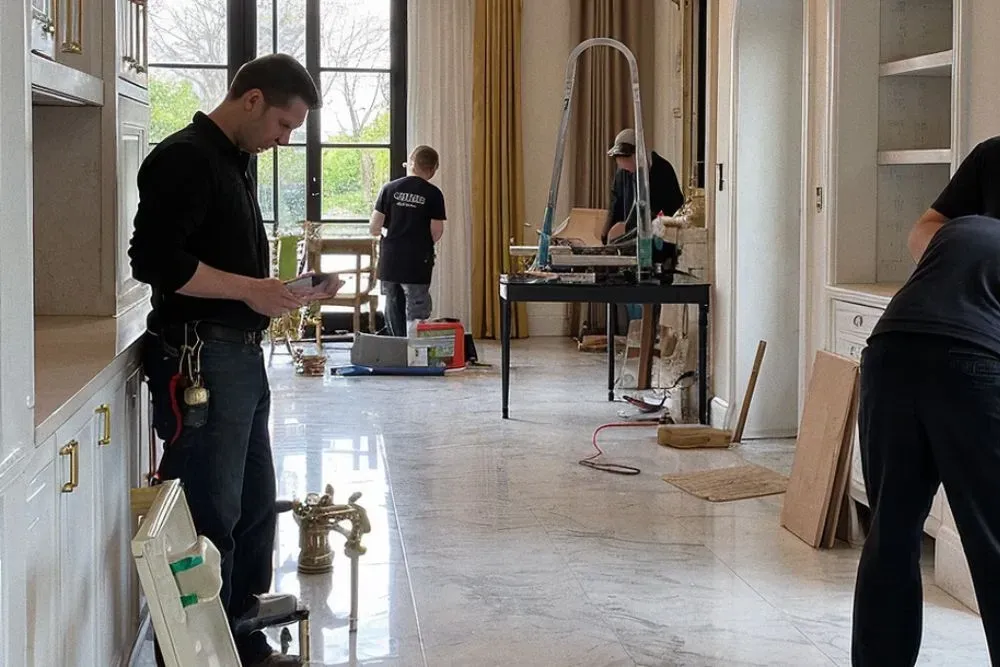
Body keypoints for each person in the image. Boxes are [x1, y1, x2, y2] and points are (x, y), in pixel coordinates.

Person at [129, 53, 333, 667]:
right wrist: (250, 290)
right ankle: (195, 655)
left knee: (251, 510)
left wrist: (279, 292)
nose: (284, 139)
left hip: (238, 359)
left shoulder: (234, 162)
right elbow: (153, 261)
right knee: (208, 517)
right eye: (282, 124)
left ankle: (240, 642)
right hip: (202, 362)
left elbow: (222, 266)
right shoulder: (184, 157)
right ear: (251, 101)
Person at [852, 137, 1000, 666]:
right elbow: (924, 230)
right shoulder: (992, 156)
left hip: (890, 351)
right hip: (973, 361)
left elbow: (927, 233)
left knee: (890, 532)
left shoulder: (968, 227)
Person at [603, 127, 685, 322]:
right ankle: (633, 328)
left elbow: (665, 208)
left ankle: (650, 328)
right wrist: (607, 233)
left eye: (628, 163)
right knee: (625, 284)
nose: (626, 169)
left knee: (651, 289)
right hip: (629, 242)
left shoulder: (661, 170)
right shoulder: (622, 174)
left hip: (659, 240)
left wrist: (629, 225)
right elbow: (616, 204)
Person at [369, 145, 446, 337]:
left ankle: (396, 349)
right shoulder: (434, 193)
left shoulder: (389, 188)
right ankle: (415, 353)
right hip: (418, 260)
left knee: (392, 305)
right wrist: (422, 244)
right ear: (434, 168)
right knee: (416, 307)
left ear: (411, 164)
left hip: (390, 258)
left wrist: (391, 235)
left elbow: (374, 227)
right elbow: (437, 231)